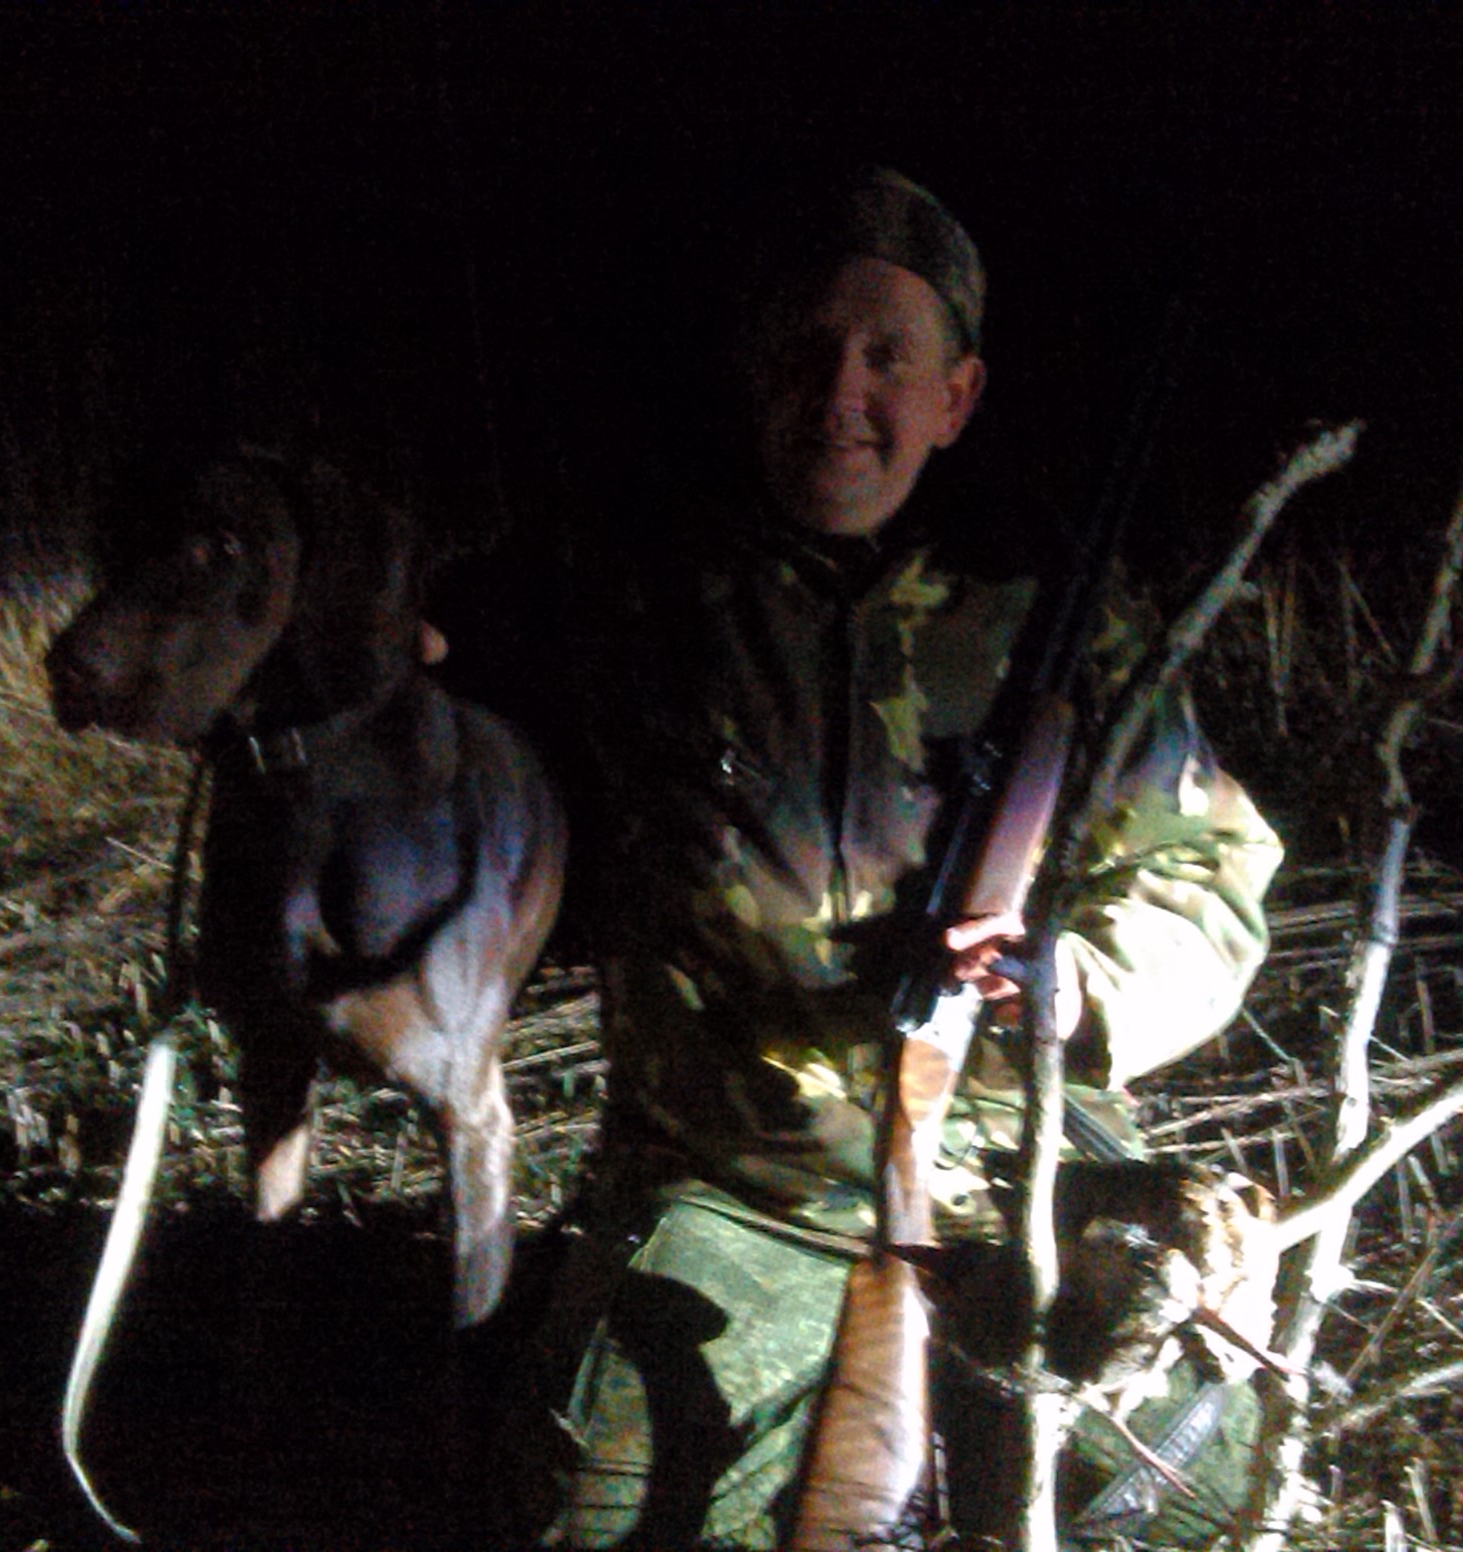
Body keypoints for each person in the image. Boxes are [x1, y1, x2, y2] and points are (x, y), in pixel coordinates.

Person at [512, 166, 1285, 1549]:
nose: (842, 394)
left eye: (889, 357)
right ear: (755, 370)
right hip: (732, 1182)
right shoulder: (624, 603)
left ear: (957, 398)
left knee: (1185, 1496)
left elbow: (1207, 877)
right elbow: (426, 727)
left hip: (1016, 1167)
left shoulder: (1060, 625)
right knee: (606, 1509)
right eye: (808, 352)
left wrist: (1081, 985)